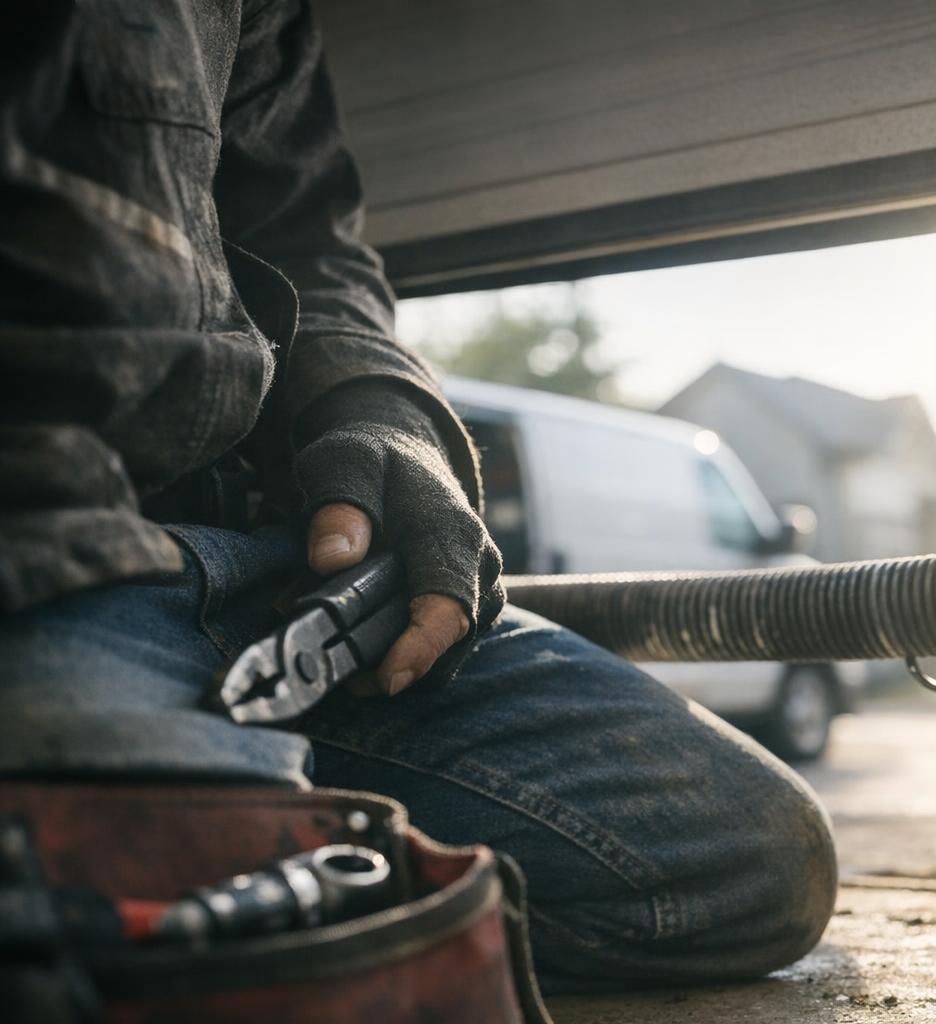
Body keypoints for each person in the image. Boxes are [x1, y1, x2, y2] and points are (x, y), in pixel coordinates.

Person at [0, 0, 835, 992]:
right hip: (47, 552)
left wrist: (385, 419)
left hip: (282, 565)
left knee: (747, 859)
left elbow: (312, 245)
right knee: (195, 952)